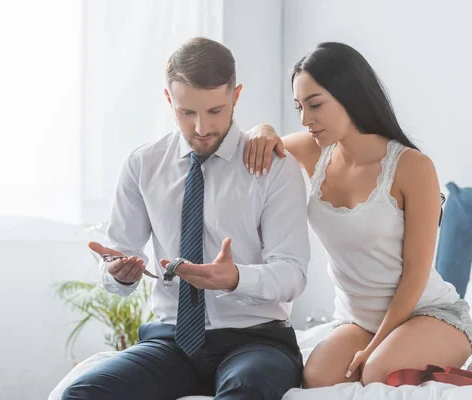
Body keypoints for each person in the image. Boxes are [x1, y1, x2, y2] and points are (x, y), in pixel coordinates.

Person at [62, 37, 310, 400]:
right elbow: (116, 260)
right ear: (169, 100)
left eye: (215, 111)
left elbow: (293, 273)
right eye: (186, 112)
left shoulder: (273, 167)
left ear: (236, 96)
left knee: (249, 389)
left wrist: (236, 278)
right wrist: (117, 272)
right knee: (81, 394)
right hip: (170, 341)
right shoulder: (143, 165)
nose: (201, 127)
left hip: (256, 340)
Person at [243, 42, 472, 387]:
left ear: (349, 95)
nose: (306, 120)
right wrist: (262, 128)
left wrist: (379, 345)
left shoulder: (413, 167)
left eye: (315, 104)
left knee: (380, 371)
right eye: (299, 107)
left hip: (427, 313)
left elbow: (415, 274)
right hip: (357, 320)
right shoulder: (313, 150)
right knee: (317, 379)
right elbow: (259, 142)